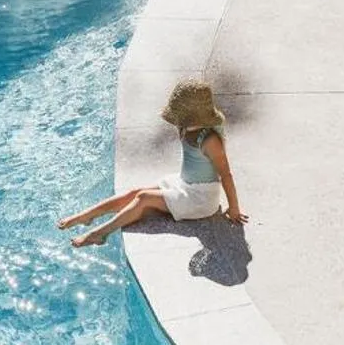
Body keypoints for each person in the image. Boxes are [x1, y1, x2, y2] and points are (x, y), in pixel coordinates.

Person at [58, 80, 245, 248]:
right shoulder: (186, 127)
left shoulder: (210, 140)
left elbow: (226, 175)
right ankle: (87, 216)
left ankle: (99, 234)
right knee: (134, 192)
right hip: (184, 184)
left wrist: (234, 208)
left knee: (143, 197)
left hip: (200, 199)